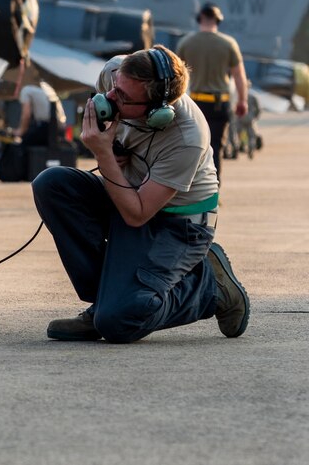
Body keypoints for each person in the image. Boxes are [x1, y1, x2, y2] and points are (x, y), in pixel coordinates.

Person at [32, 46, 250, 343]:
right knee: (53, 184)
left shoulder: (187, 137)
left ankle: (209, 287)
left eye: (123, 98)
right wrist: (116, 149)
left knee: (119, 324)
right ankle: (107, 302)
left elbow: (137, 215)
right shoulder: (115, 75)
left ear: (157, 112)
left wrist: (104, 154)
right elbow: (107, 112)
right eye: (115, 87)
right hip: (128, 194)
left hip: (177, 224)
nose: (111, 97)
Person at [176, 2, 249, 182]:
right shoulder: (228, 43)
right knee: (216, 147)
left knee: (194, 147)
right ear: (218, 20)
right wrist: (242, 101)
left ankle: (194, 189)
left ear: (199, 18)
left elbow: (176, 73)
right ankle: (214, 190)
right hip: (219, 104)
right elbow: (239, 76)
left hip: (195, 104)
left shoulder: (186, 43)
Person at [15, 76, 67, 146]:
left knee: (19, 148)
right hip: (59, 129)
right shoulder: (47, 88)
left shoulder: (26, 90)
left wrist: (20, 131)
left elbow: (26, 115)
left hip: (44, 128)